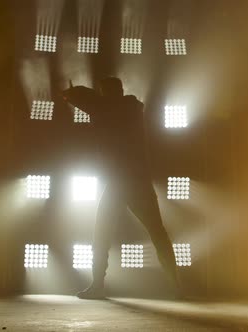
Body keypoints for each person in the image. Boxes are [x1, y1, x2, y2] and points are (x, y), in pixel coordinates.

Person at [62, 77, 182, 299]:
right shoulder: (129, 107)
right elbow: (91, 101)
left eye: (104, 91)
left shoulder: (115, 107)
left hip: (122, 181)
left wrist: (71, 93)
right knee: (156, 233)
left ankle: (98, 285)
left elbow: (87, 100)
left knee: (104, 234)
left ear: (109, 92)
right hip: (134, 180)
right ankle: (175, 287)